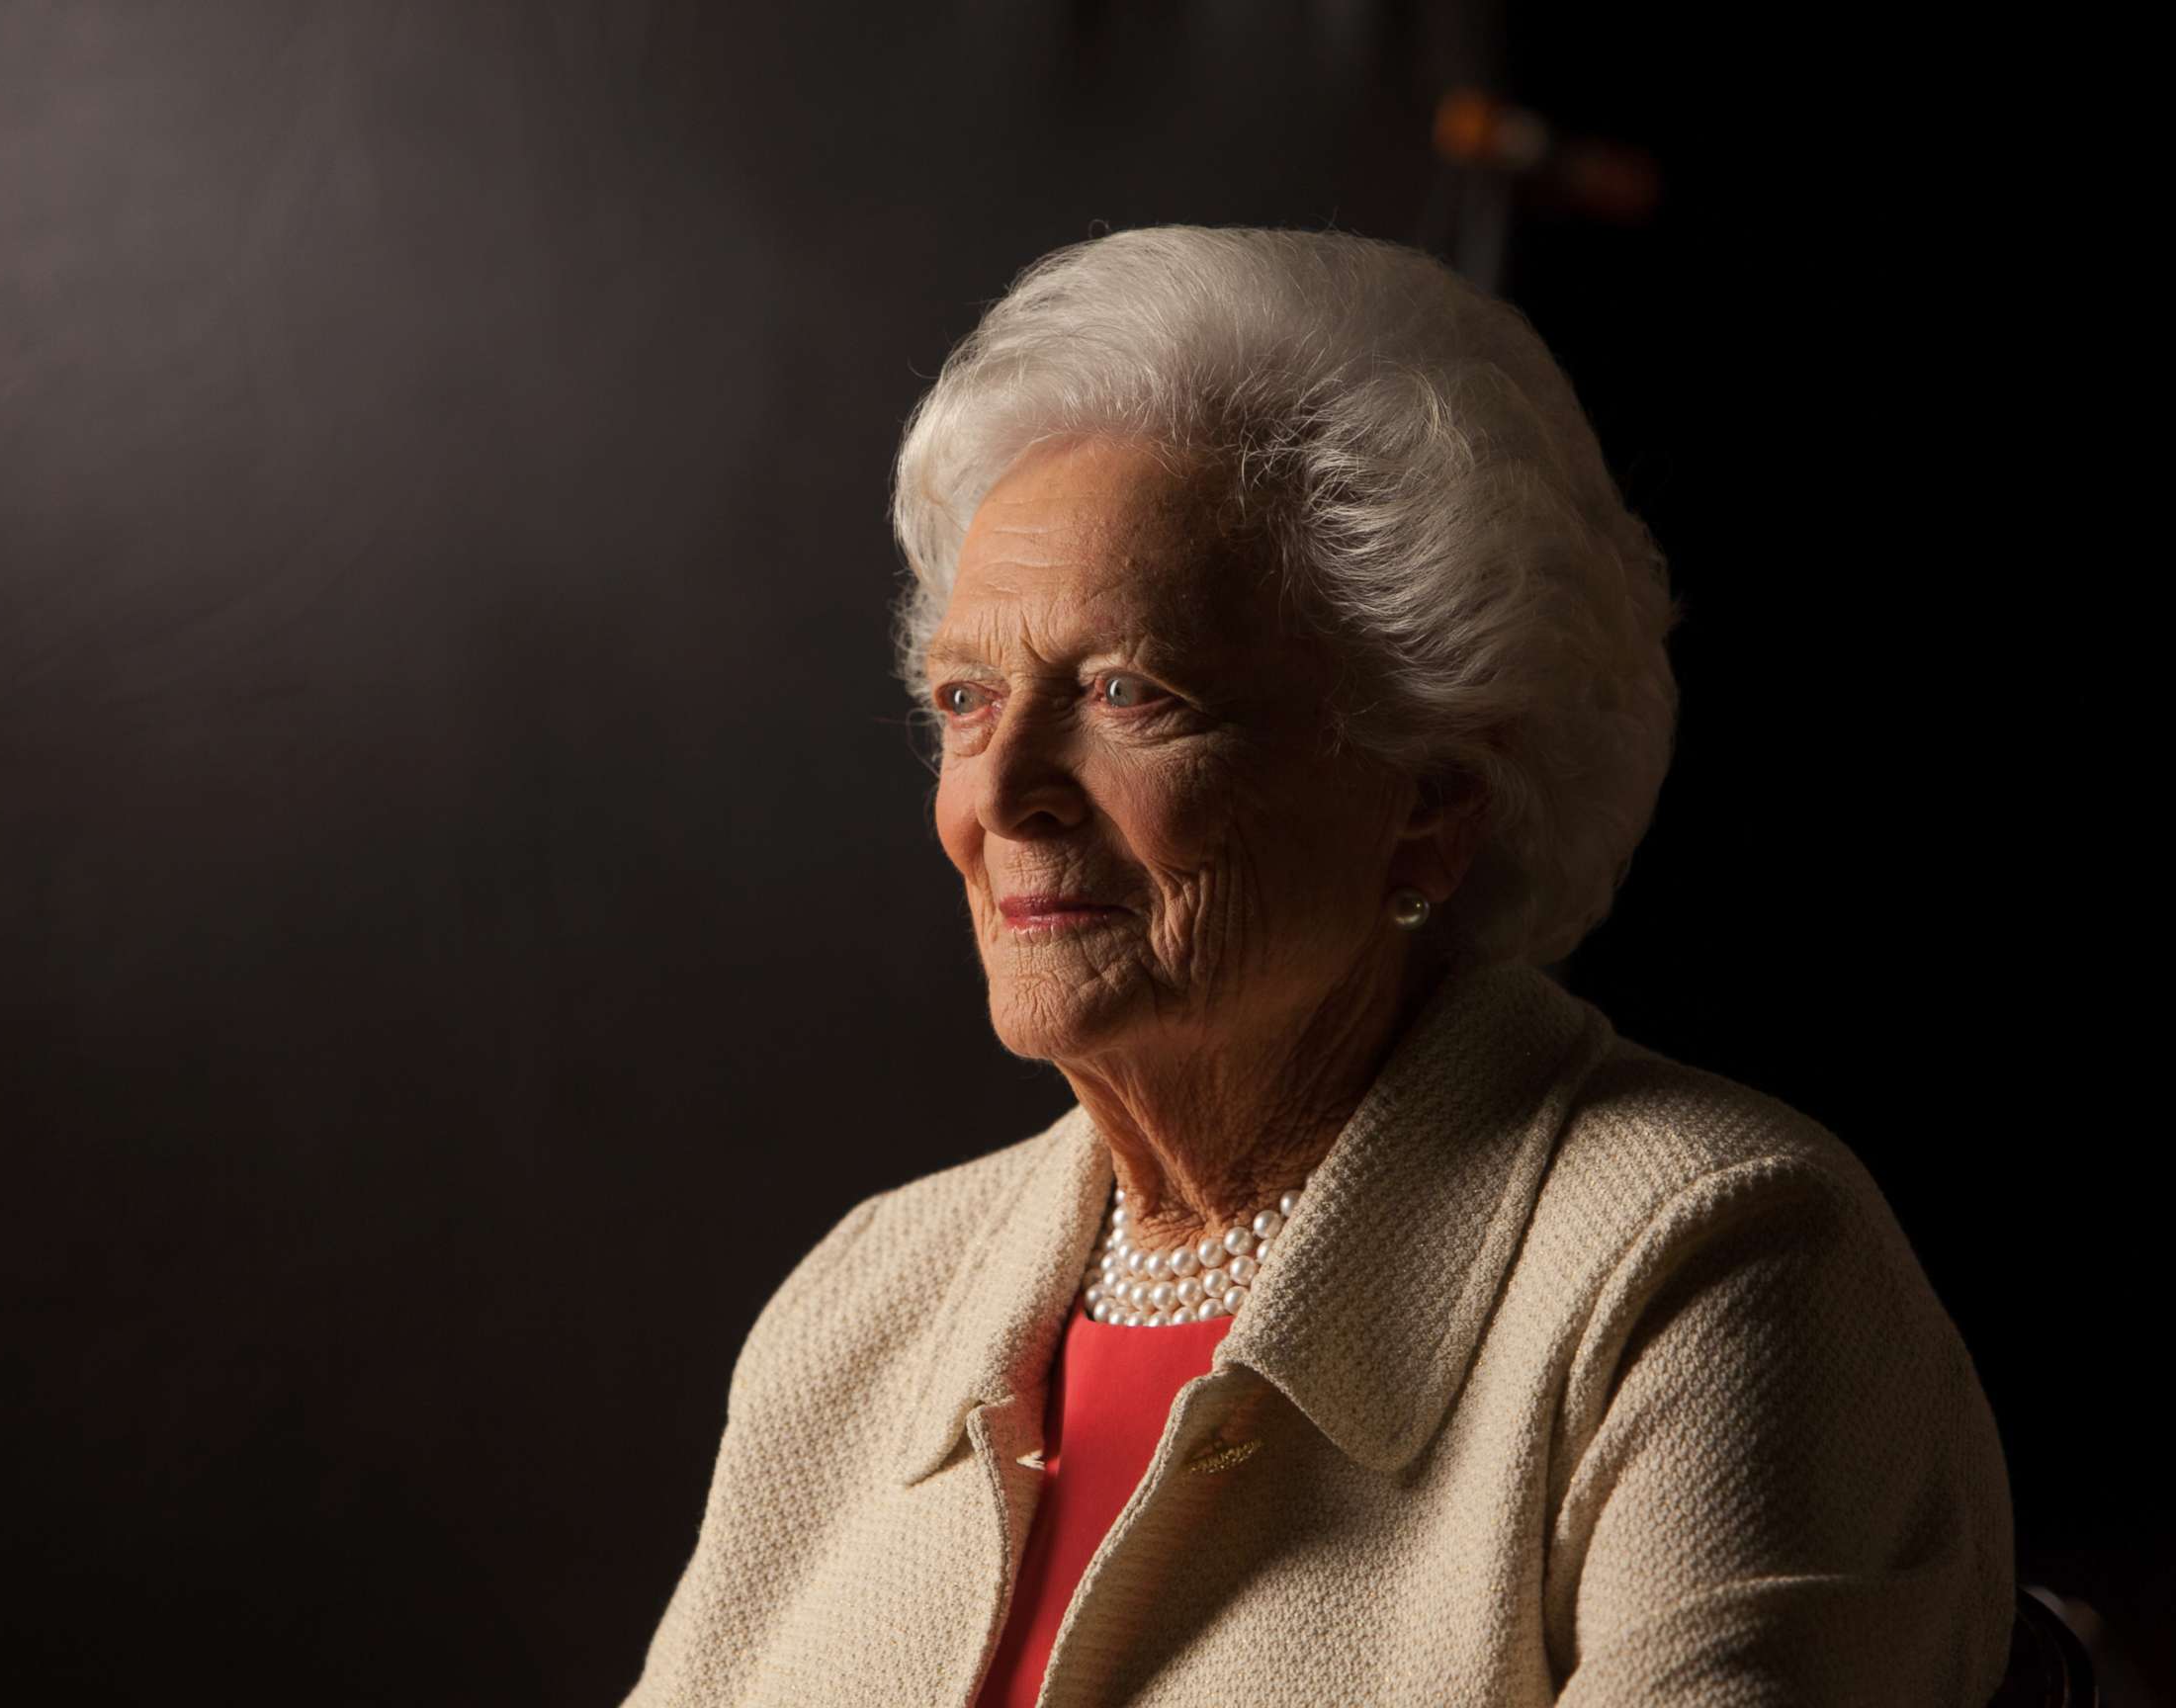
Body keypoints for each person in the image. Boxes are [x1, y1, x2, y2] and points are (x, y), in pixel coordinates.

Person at [620, 225, 2015, 1706]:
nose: (1006, 788)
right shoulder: (866, 1303)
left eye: (1124, 692)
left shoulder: (1715, 1271)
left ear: (1429, 800)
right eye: (966, 697)